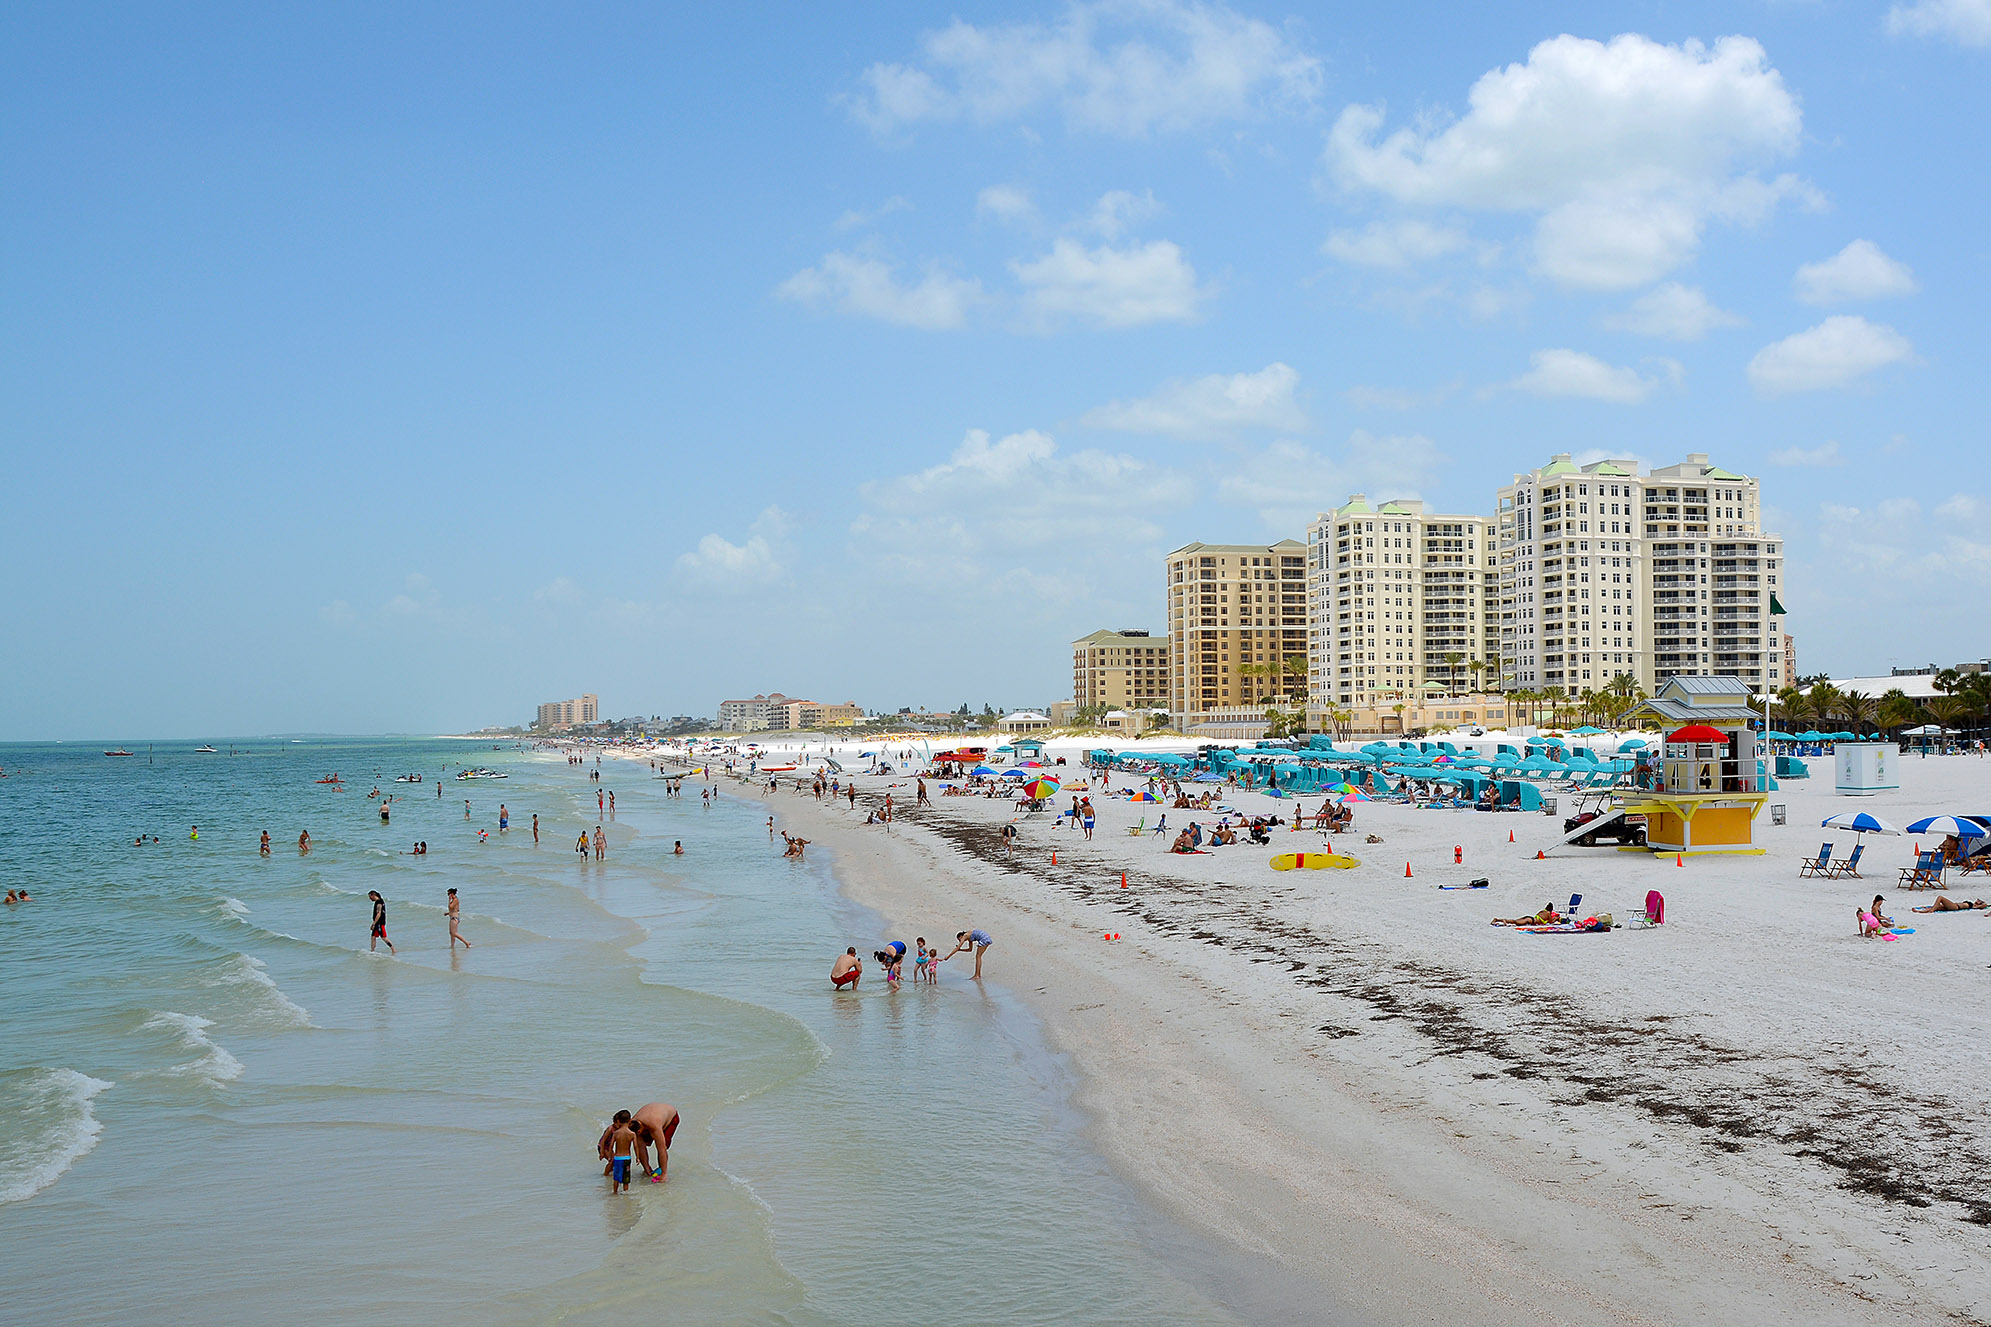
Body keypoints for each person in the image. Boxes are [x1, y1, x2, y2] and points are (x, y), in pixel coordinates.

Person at [631, 1102, 679, 1182]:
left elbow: (661, 1149)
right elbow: (641, 1147)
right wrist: (646, 1168)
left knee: (663, 1145)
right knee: (644, 1142)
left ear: (639, 1131)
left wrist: (664, 1174)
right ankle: (647, 1169)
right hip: (654, 1113)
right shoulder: (633, 1123)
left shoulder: (654, 1124)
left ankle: (662, 1171)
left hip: (671, 1116)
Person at [606, 1114, 637, 1193]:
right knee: (626, 1178)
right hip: (627, 1158)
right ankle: (625, 1192)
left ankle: (615, 1192)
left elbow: (611, 1146)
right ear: (630, 1120)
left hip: (617, 1158)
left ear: (618, 1121)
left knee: (616, 1178)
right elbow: (636, 1147)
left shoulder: (616, 1133)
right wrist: (638, 1157)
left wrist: (610, 1156)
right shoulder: (632, 1134)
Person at [1912, 895, 1990, 912]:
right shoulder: (1972, 904)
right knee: (1936, 908)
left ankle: (1931, 910)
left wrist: (1980, 904)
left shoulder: (1973, 906)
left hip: (1955, 907)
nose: (1977, 900)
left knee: (1940, 898)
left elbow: (1985, 905)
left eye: (1979, 900)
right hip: (1953, 906)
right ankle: (1921, 911)